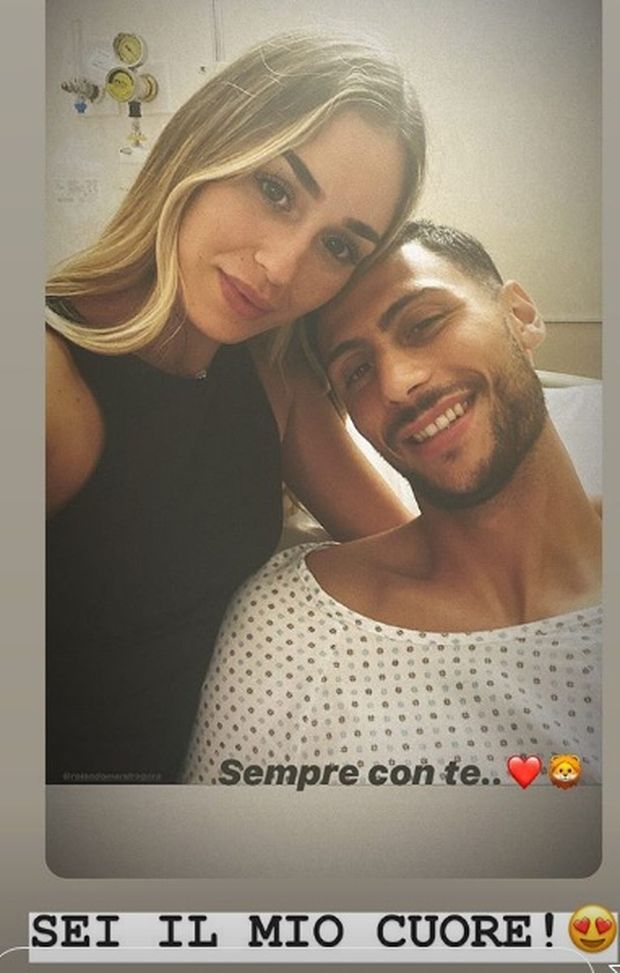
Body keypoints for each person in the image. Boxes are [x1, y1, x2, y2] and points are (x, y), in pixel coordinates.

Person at [45, 31, 427, 784]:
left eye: (339, 247)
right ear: (205, 145)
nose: (280, 269)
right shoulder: (53, 383)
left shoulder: (272, 380)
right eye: (276, 190)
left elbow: (415, 549)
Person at [184, 220, 601, 787]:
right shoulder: (291, 629)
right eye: (357, 371)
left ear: (520, 315)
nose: (397, 383)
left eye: (424, 324)